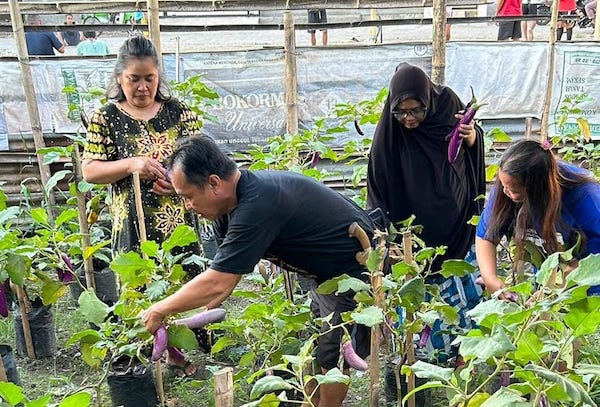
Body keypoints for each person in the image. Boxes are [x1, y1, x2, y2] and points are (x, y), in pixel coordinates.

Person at [142, 136, 374, 407]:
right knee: (317, 346)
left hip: (352, 266)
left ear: (214, 183)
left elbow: (218, 284)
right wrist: (175, 323)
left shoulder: (257, 203)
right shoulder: (227, 209)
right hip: (322, 273)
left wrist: (160, 309)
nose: (188, 206)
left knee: (332, 354)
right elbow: (221, 286)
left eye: (188, 197)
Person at [81, 35, 204, 378]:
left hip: (177, 217)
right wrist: (132, 164)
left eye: (149, 78)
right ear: (120, 77)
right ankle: (156, 351)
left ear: (158, 77)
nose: (142, 87)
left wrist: (178, 184)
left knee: (184, 278)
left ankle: (185, 349)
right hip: (133, 222)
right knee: (140, 283)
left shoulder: (179, 112)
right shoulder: (105, 118)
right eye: (134, 79)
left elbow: (200, 159)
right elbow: (90, 170)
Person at [367, 63, 486, 365]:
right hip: (414, 234)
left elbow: (473, 141)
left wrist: (471, 137)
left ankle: (463, 355)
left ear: (428, 102)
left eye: (416, 111)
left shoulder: (448, 104)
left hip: (456, 224)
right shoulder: (389, 131)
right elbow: (378, 180)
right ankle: (426, 359)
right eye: (401, 112)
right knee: (423, 295)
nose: (408, 119)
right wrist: (381, 233)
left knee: (461, 290)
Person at [476, 139, 600, 298]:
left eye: (513, 190)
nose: (505, 192)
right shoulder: (508, 185)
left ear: (538, 189)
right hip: (551, 278)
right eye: (503, 185)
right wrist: (490, 278)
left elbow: (590, 263)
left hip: (590, 286)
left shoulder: (586, 198)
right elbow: (486, 236)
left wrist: (549, 292)